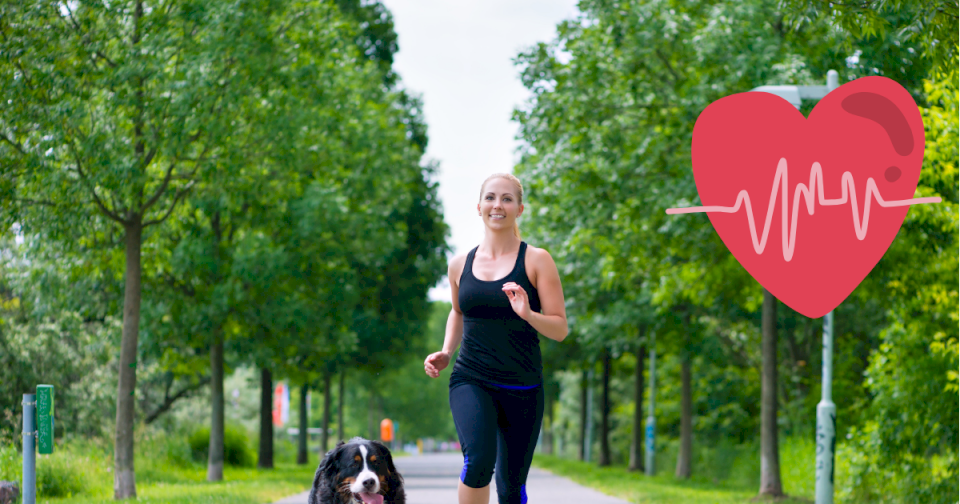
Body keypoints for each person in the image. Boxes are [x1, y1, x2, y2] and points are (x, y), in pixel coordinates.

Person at [424, 173, 568, 504]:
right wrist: (447, 351)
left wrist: (529, 314)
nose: (497, 205)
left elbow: (560, 328)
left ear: (519, 209)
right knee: (478, 462)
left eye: (506, 199)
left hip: (523, 386)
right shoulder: (460, 264)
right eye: (490, 198)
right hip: (471, 378)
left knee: (510, 486)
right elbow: (458, 312)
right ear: (478, 207)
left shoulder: (536, 260)